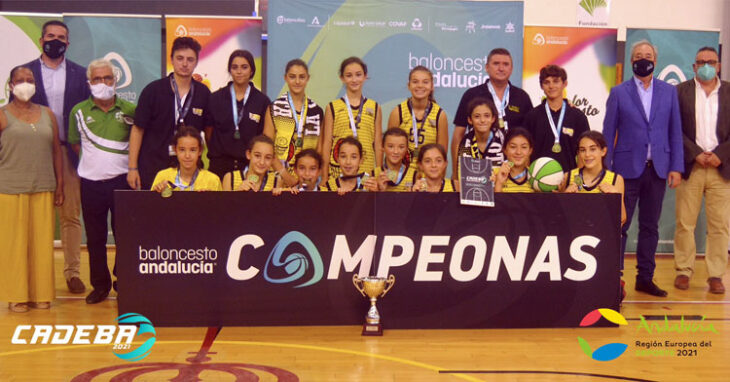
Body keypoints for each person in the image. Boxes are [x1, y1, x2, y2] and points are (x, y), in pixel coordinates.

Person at [603, 39, 683, 297]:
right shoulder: (618, 92)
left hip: (658, 169)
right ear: (631, 61)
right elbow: (607, 133)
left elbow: (675, 131)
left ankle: (645, 278)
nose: (643, 58)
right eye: (638, 55)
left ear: (655, 61)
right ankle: (614, 280)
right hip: (625, 171)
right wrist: (607, 171)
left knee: (650, 226)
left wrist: (676, 167)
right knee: (620, 225)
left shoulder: (669, 92)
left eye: (648, 55)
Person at [21, 20, 90, 294]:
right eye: (50, 36)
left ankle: (72, 273)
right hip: (36, 153)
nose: (55, 40)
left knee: (71, 216)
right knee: (36, 216)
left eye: (61, 37)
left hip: (69, 152)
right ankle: (32, 273)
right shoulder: (25, 73)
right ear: (41, 40)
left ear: (68, 43)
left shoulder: (80, 74)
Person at [68, 59, 135, 304]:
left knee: (124, 235)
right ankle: (100, 285)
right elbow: (75, 144)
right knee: (95, 238)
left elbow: (137, 142)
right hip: (91, 184)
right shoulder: (79, 111)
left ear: (115, 81)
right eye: (97, 79)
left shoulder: (129, 109)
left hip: (122, 182)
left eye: (107, 78)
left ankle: (123, 281)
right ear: (89, 83)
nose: (103, 83)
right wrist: (95, 164)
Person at [0, 66, 64, 312]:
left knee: (41, 245)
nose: (25, 84)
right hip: (10, 188)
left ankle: (41, 294)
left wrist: (60, 184)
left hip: (43, 186)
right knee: (15, 245)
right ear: (11, 85)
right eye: (20, 80)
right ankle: (17, 295)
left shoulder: (48, 114)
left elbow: (56, 151)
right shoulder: (3, 114)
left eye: (30, 80)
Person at [674, 47, 730, 294]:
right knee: (685, 223)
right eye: (701, 62)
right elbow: (674, 129)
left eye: (711, 61)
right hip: (691, 166)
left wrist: (721, 154)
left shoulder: (729, 91)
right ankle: (683, 271)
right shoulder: (680, 92)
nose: (706, 65)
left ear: (718, 66)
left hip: (722, 168)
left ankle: (716, 274)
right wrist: (695, 152)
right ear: (694, 67)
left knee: (719, 225)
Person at [128, 36, 211, 190]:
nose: (185, 64)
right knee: (155, 212)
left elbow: (208, 131)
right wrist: (132, 168)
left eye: (190, 59)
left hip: (189, 168)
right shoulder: (153, 90)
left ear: (197, 62)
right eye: (180, 58)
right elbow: (137, 129)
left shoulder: (203, 93)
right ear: (171, 59)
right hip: (153, 166)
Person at [452, 48, 533, 178]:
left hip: (514, 169)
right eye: (496, 63)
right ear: (487, 67)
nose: (501, 68)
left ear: (511, 69)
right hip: (477, 165)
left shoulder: (522, 97)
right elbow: (458, 135)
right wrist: (456, 172)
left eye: (505, 64)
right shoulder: (472, 94)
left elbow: (529, 138)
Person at [206, 50, 270, 180]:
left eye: (244, 67)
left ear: (251, 70)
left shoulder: (262, 101)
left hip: (249, 167)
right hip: (219, 165)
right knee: (216, 201)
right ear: (230, 70)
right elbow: (208, 133)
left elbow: (263, 137)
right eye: (235, 67)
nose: (239, 72)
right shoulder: (215, 98)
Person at [263, 59, 323, 186]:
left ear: (308, 78)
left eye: (302, 77)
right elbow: (267, 147)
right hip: (277, 178)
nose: (297, 81)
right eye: (292, 77)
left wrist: (310, 175)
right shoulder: (274, 108)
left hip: (307, 179)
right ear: (285, 78)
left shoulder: (316, 111)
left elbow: (319, 150)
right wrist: (285, 175)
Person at [322, 57, 382, 182]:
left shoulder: (375, 107)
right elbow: (327, 143)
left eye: (358, 75)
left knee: (363, 201)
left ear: (365, 76)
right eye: (349, 75)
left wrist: (378, 172)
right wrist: (324, 176)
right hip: (339, 170)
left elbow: (377, 143)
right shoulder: (332, 107)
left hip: (366, 172)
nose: (354, 79)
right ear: (342, 78)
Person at [523, 64, 590, 171]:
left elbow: (584, 151)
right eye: (546, 82)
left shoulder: (578, 117)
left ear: (565, 84)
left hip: (568, 180)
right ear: (541, 86)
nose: (551, 86)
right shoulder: (532, 116)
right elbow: (524, 150)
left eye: (556, 81)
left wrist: (577, 180)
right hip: (538, 179)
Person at [387, 65, 448, 171]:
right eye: (415, 82)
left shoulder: (440, 115)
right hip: (400, 176)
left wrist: (436, 185)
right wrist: (392, 181)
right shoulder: (397, 112)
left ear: (432, 86)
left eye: (425, 82)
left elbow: (441, 155)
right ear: (408, 85)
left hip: (428, 176)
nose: (420, 86)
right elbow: (389, 152)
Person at [564, 131, 626, 224]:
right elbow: (559, 217)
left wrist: (615, 197)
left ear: (603, 151)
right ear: (578, 153)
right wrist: (564, 197)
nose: (587, 154)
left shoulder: (615, 179)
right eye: (582, 150)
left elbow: (622, 219)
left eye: (592, 149)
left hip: (601, 236)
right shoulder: (570, 176)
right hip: (574, 235)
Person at [151, 126, 221, 193]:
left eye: (193, 150)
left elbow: (221, 204)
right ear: (175, 150)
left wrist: (210, 199)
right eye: (182, 150)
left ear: (200, 151)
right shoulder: (163, 177)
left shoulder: (212, 180)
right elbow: (150, 204)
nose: (187, 155)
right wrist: (157, 193)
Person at [457, 97, 503, 168]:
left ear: (493, 118)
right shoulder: (466, 142)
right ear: (470, 120)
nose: (482, 120)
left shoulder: (502, 138)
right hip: (472, 179)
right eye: (477, 116)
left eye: (487, 116)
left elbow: (512, 162)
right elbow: (462, 171)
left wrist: (508, 168)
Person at [491, 127, 535, 193]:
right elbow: (495, 203)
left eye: (524, 147)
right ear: (505, 150)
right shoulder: (493, 174)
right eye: (513, 147)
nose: (518, 152)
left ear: (530, 151)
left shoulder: (536, 176)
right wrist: (499, 183)